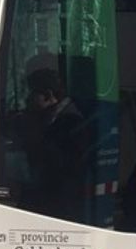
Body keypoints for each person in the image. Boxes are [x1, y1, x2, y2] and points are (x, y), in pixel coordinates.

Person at [21, 68, 87, 221]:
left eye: (32, 93)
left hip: (59, 204)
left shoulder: (70, 121)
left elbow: (58, 163)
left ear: (48, 95)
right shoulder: (49, 117)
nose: (28, 99)